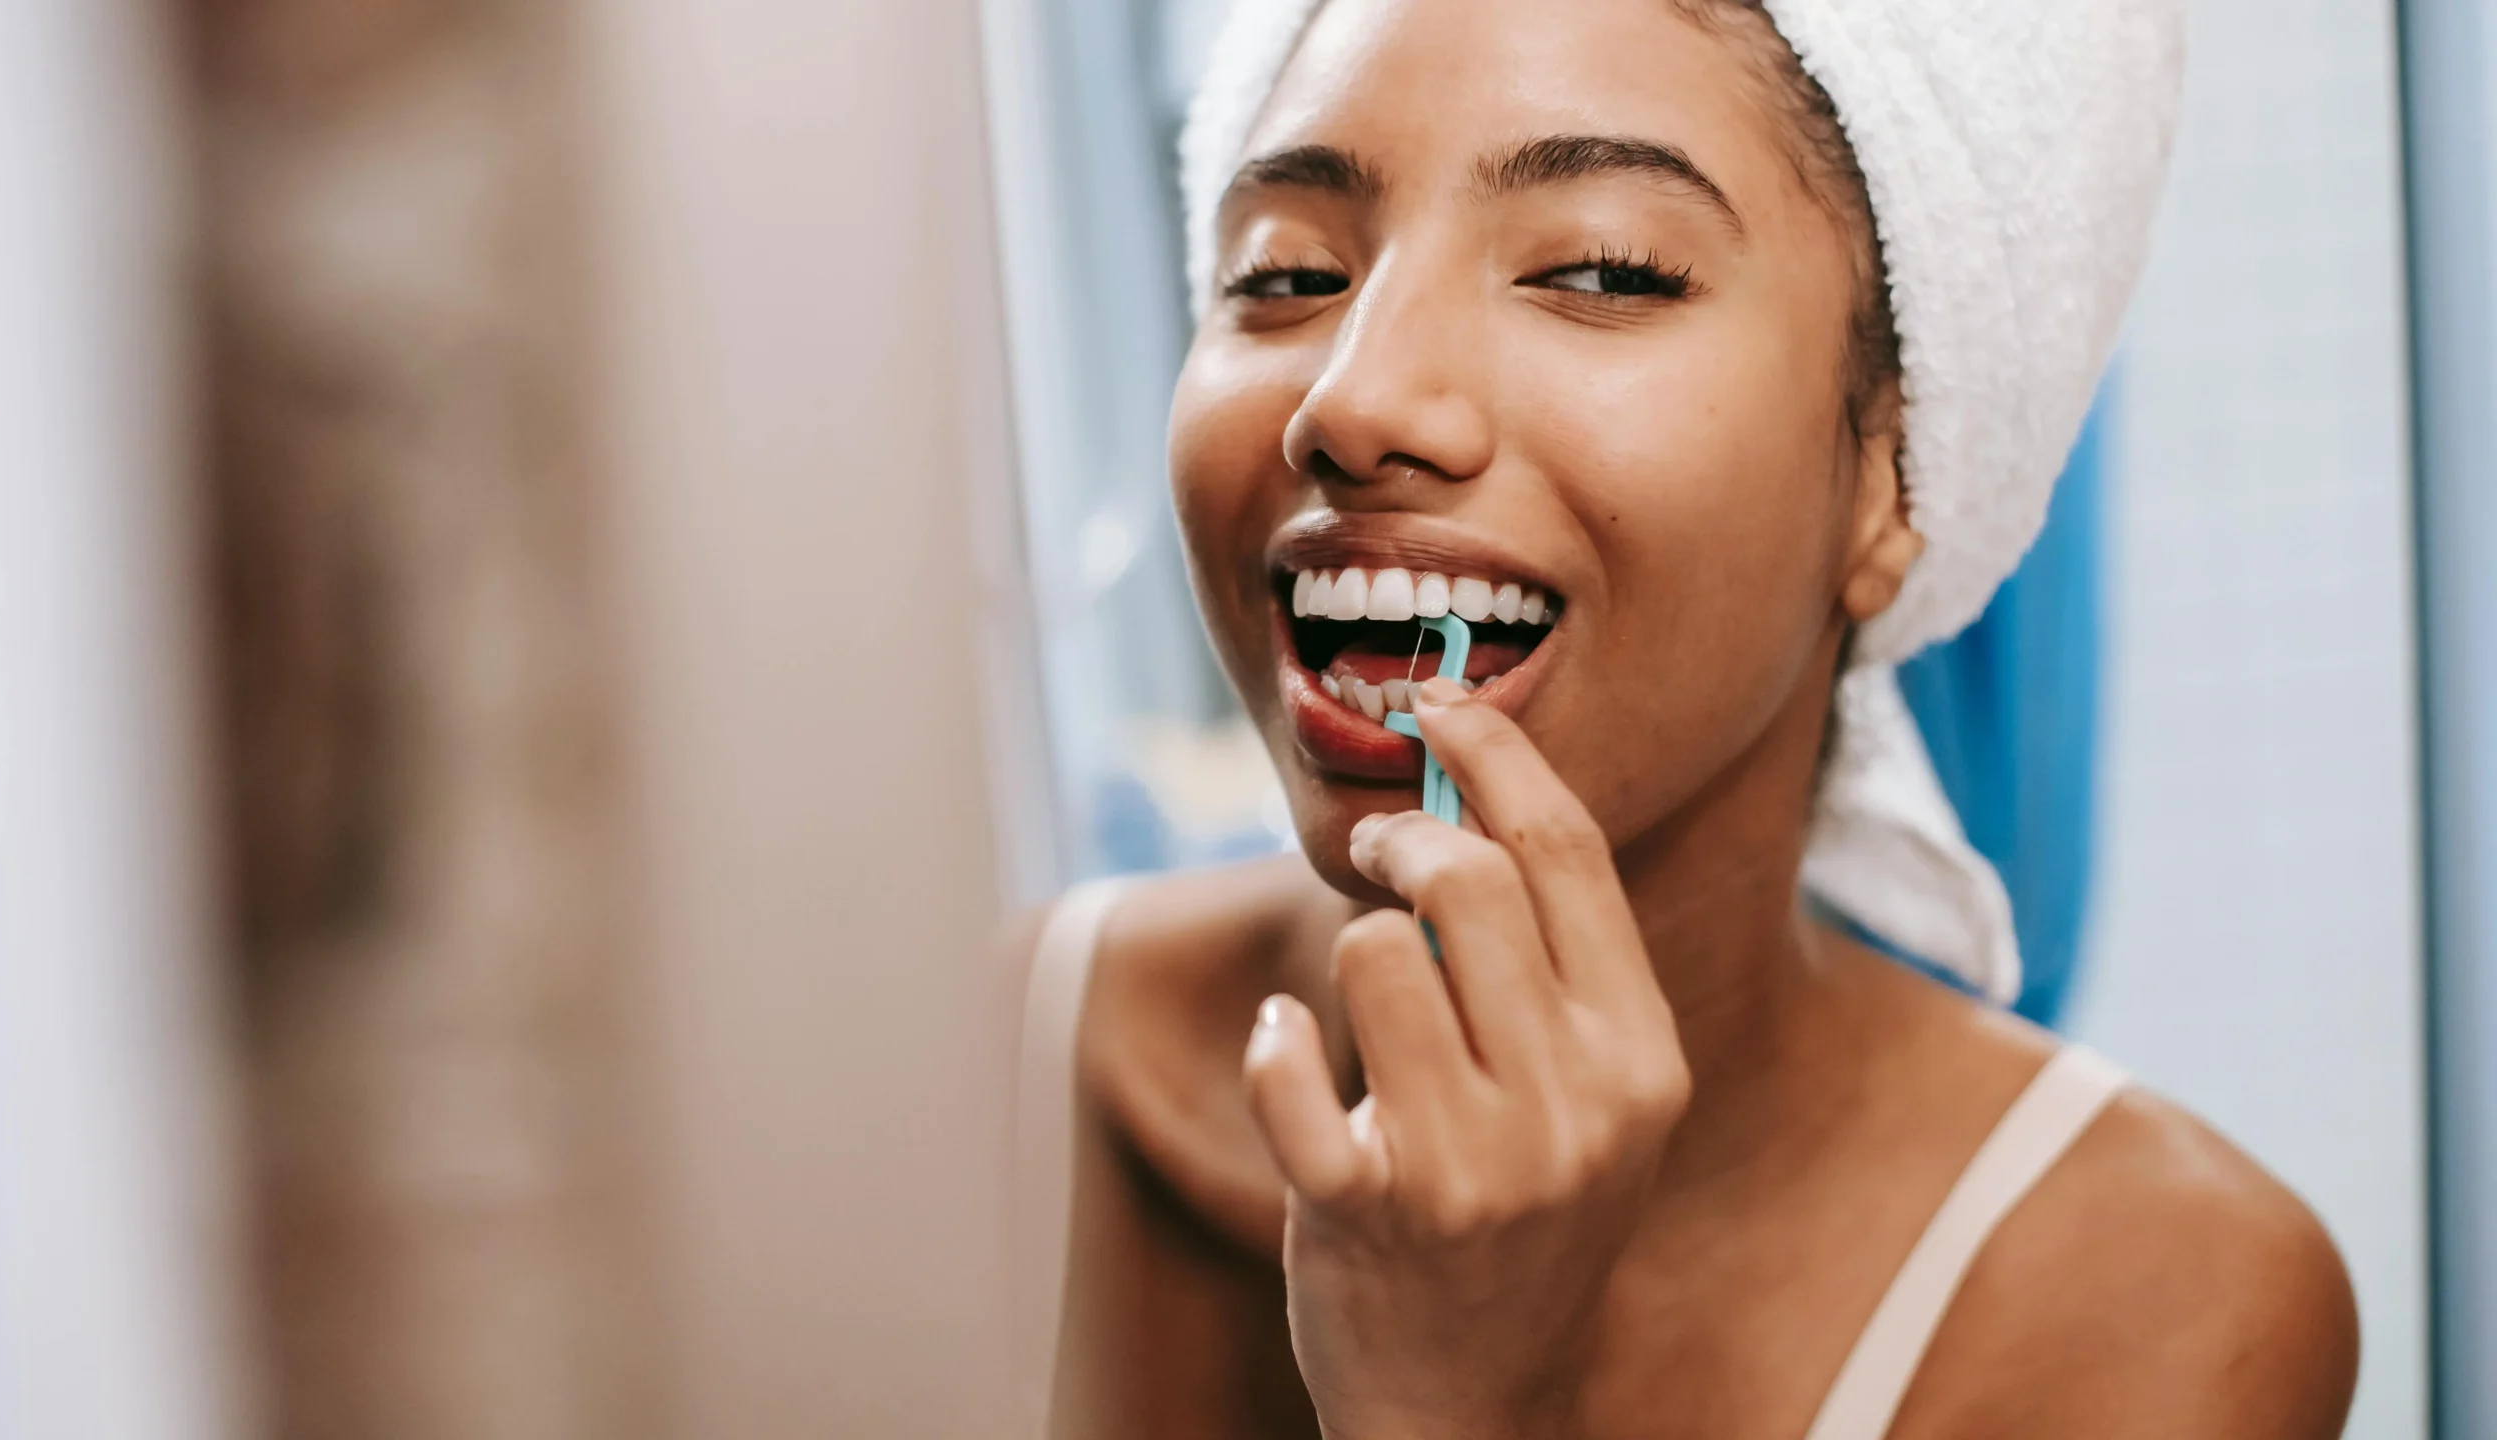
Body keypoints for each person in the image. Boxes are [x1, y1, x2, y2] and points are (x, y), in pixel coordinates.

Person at [1007, 1, 2360, 1435]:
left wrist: (1449, 1407)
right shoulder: (986, 1067)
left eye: (1602, 268)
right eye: (1284, 276)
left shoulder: (2162, 1308)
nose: (1355, 397)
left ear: (1900, 474)